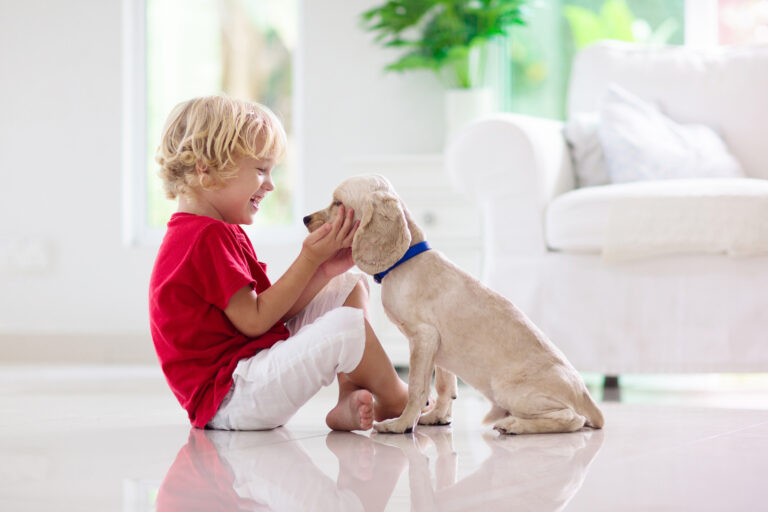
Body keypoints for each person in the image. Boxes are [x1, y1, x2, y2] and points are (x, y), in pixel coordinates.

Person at [149, 95, 409, 431]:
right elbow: (257, 321)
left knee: (349, 285)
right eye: (261, 170)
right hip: (232, 396)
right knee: (347, 326)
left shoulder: (209, 231)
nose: (271, 184)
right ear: (206, 170)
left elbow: (270, 314)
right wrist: (309, 258)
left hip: (246, 377)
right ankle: (397, 399)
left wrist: (324, 270)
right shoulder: (204, 238)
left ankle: (349, 394)